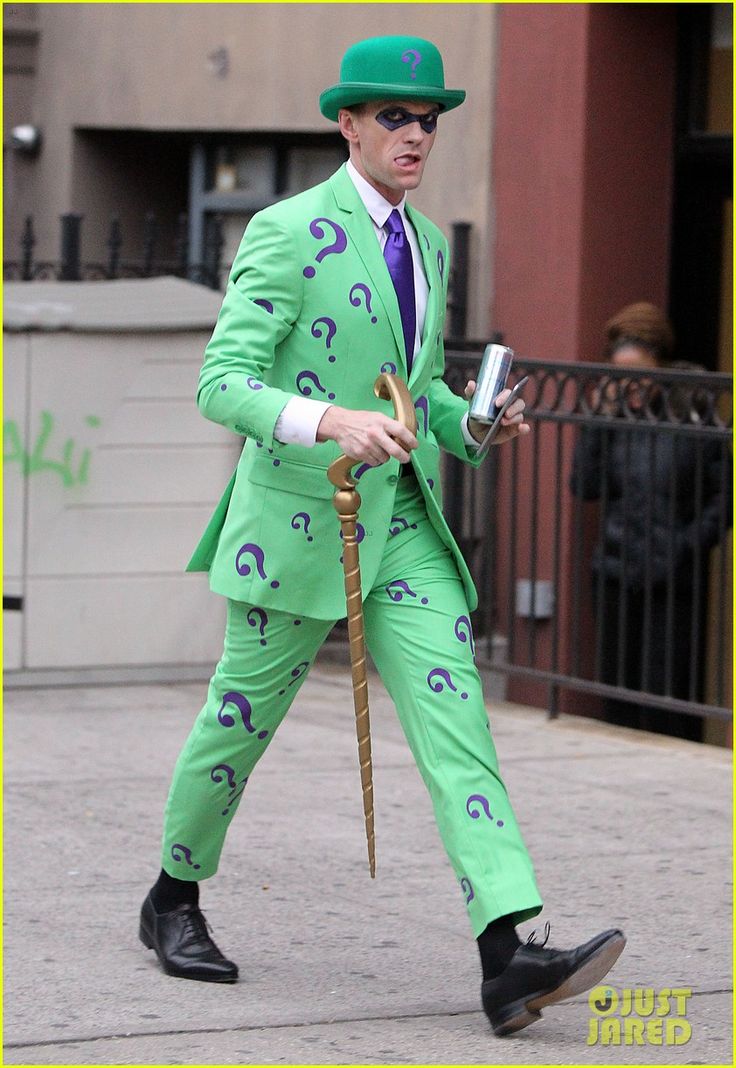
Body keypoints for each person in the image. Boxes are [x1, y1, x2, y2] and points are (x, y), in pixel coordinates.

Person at [139, 35, 625, 1037]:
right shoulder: (283, 229)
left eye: (429, 119)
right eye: (394, 117)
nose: (415, 134)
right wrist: (332, 422)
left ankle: (506, 952)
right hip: (295, 527)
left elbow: (429, 390)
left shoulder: (429, 242)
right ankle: (173, 898)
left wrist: (474, 424)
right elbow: (220, 383)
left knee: (460, 730)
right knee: (238, 727)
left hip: (402, 528)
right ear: (347, 124)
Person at [570, 302, 732, 739]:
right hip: (616, 572)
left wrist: (684, 545)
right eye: (620, 375)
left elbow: (724, 497)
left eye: (638, 373)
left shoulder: (695, 413)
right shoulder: (614, 415)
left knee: (668, 697)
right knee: (616, 693)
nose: (630, 385)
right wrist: (599, 420)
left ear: (660, 366)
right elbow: (583, 485)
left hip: (674, 578)